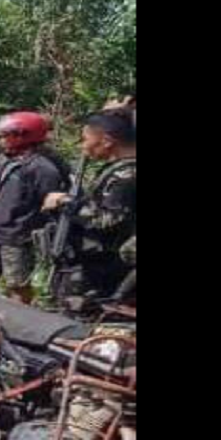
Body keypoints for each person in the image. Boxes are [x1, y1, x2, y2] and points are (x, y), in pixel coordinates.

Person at [43, 108, 136, 313]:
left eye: (85, 139)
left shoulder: (127, 176)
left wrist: (65, 202)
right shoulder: (117, 170)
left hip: (106, 272)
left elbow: (108, 220)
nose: (83, 146)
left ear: (107, 141)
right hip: (92, 265)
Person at [0, 111, 66, 304]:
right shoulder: (8, 161)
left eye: (6, 135)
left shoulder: (43, 169)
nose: (1, 140)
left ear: (24, 136)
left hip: (16, 237)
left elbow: (49, 205)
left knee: (17, 285)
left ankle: (22, 326)